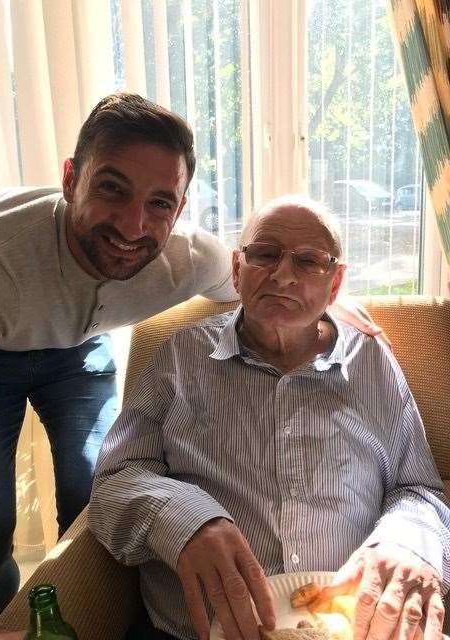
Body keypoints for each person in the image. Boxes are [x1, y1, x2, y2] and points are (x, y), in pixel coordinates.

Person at [89, 195, 449, 640]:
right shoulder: (181, 356)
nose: (283, 275)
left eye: (309, 262)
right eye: (265, 254)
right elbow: (114, 481)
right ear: (238, 270)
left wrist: (406, 543)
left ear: (335, 286)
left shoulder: (371, 360)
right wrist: (181, 517)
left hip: (349, 624)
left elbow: (418, 488)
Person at [0, 93, 240, 639]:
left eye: (160, 203)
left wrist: (329, 300)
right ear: (70, 179)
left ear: (181, 210)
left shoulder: (193, 259)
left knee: (96, 489)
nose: (133, 225)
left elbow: (254, 288)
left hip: (79, 350)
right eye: (112, 188)